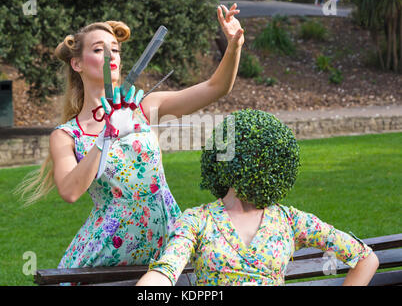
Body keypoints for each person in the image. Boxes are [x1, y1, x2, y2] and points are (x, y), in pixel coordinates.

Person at [15, 3, 245, 270]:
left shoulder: (145, 108)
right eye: (99, 49)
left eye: (115, 49)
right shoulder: (67, 135)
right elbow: (69, 191)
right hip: (107, 255)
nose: (111, 55)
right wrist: (106, 136)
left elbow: (216, 88)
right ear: (76, 63)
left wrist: (233, 45)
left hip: (166, 243)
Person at [137, 109, 379, 286]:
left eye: (267, 160)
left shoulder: (290, 220)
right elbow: (166, 270)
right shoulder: (198, 220)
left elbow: (365, 258)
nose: (259, 166)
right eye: (250, 157)